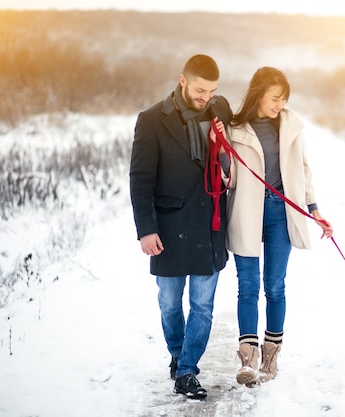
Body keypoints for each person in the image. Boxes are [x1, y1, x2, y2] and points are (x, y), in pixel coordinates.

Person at [212, 66, 333, 387]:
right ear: (258, 94)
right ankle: (248, 360)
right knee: (247, 285)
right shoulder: (237, 128)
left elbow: (303, 170)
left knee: (275, 285)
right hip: (247, 211)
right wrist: (222, 149)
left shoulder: (291, 126)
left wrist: (315, 209)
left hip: (281, 211)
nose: (280, 104)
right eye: (275, 98)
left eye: (284, 99)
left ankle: (271, 355)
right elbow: (230, 177)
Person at [129, 54, 232, 400]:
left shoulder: (216, 112)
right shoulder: (151, 120)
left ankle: (188, 369)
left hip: (208, 227)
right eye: (201, 90)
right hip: (169, 228)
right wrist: (146, 229)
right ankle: (177, 354)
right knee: (170, 304)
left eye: (212, 91)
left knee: (202, 307)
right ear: (183, 80)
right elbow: (140, 179)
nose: (206, 98)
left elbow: (227, 109)